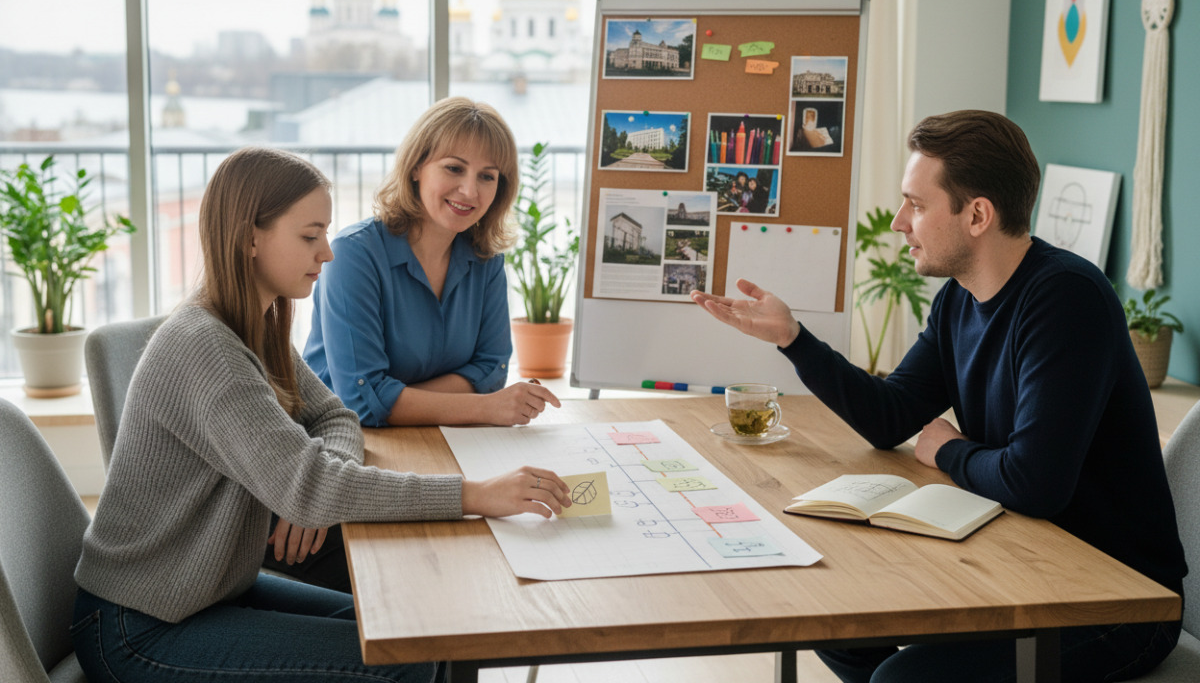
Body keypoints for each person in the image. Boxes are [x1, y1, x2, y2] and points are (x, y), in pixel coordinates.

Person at [691, 110, 1185, 683]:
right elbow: (891, 415)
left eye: (917, 205)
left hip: (1116, 600)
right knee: (837, 630)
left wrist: (946, 451)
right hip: (1020, 559)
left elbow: (1036, 483)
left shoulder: (1065, 299)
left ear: (977, 215)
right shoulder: (958, 300)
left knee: (901, 680)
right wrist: (793, 340)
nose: (901, 221)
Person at [72, 146, 572, 683]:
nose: (328, 253)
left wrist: (306, 486)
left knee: (424, 630)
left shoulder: (253, 329)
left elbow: (335, 418)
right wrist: (474, 494)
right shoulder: (205, 348)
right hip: (139, 627)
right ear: (250, 238)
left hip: (208, 593)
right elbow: (310, 486)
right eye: (310, 236)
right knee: (407, 664)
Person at [304, 97, 561, 430]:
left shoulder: (487, 259)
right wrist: (483, 408)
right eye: (454, 168)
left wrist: (396, 400)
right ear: (415, 167)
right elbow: (361, 404)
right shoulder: (353, 255)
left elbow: (491, 370)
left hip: (439, 435)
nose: (470, 190)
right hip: (343, 443)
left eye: (487, 176)